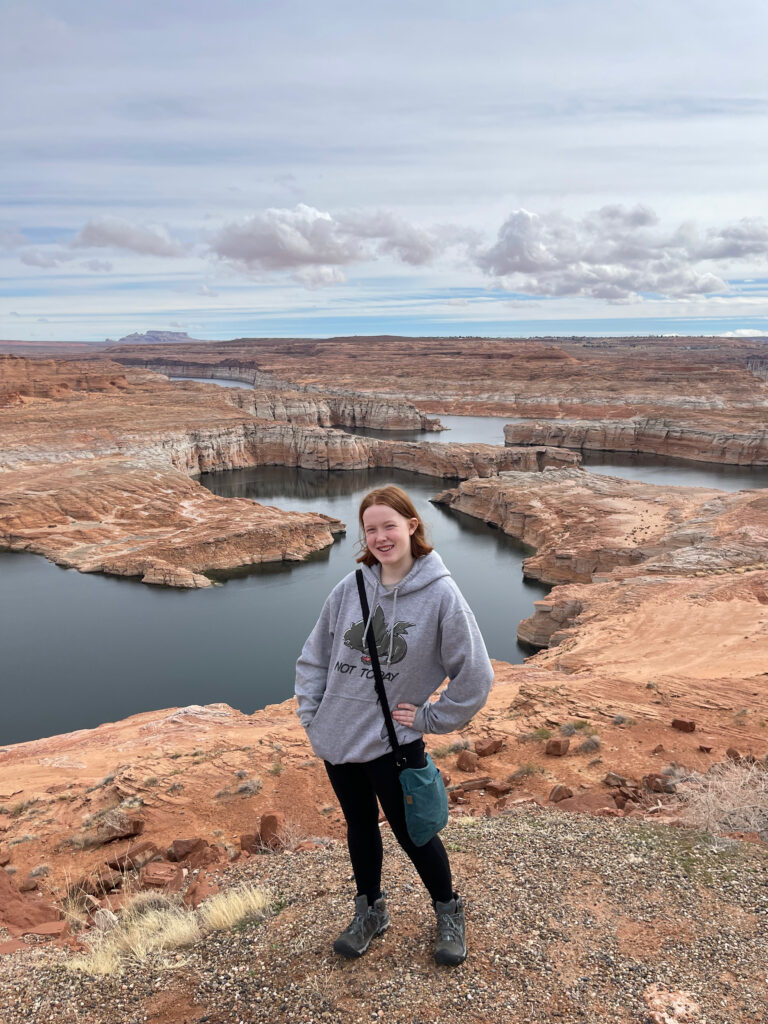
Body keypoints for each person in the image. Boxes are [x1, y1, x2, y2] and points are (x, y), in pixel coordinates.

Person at [295, 484, 493, 966]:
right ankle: (370, 912)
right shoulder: (352, 586)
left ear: (412, 525)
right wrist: (312, 715)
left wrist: (430, 717)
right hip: (336, 738)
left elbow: (476, 674)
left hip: (393, 744)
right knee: (360, 827)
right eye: (371, 529)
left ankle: (449, 912)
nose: (381, 537)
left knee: (415, 833)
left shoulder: (441, 594)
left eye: (390, 525)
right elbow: (314, 656)